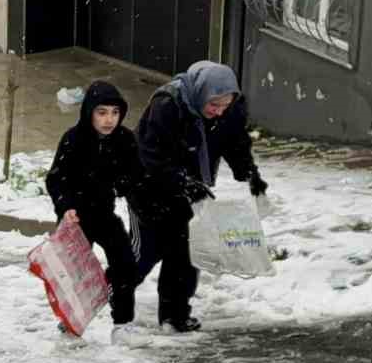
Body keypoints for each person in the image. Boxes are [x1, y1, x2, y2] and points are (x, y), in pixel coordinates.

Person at [128, 60, 268, 333]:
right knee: (146, 252)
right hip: (148, 188)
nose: (217, 112)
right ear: (201, 92)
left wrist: (250, 174)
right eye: (213, 105)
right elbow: (150, 155)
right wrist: (182, 181)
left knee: (187, 252)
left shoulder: (230, 110)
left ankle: (174, 317)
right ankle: (92, 301)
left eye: (224, 106)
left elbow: (235, 142)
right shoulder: (169, 104)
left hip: (190, 189)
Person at [44, 80, 146, 342]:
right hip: (75, 218)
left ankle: (122, 325)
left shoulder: (124, 140)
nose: (109, 119)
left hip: (104, 214)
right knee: (76, 274)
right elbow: (56, 179)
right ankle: (69, 323)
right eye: (102, 112)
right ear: (89, 112)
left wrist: (125, 184)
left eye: (114, 113)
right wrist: (65, 207)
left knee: (125, 263)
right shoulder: (73, 139)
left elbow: (135, 175)